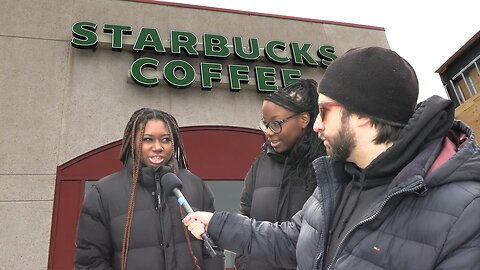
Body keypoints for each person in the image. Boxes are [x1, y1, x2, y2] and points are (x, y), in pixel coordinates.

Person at [183, 47, 480, 269]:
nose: (316, 125)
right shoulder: (337, 183)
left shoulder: (466, 214)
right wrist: (217, 224)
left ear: (362, 113)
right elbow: (289, 240)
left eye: (325, 111)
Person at [74, 108, 224, 270]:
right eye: (147, 139)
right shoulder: (103, 193)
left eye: (165, 139)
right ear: (133, 142)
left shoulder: (195, 186)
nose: (158, 147)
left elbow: (213, 250)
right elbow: (90, 261)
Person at [236, 79, 326, 270]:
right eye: (266, 124)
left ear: (304, 119)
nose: (268, 132)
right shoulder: (260, 165)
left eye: (276, 124)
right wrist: (244, 264)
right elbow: (245, 216)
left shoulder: (326, 167)